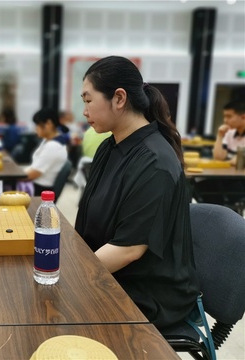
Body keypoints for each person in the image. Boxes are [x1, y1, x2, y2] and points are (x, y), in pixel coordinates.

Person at [74, 56, 199, 330]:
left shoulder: (155, 163)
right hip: (111, 272)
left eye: (87, 100)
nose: (84, 110)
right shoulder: (110, 147)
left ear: (119, 98)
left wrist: (72, 274)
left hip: (146, 293)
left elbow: (129, 249)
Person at [23, 108, 68, 196]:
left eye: (37, 124)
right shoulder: (49, 141)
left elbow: (33, 174)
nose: (35, 128)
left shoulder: (53, 146)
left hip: (38, 191)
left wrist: (11, 177)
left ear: (48, 123)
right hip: (36, 186)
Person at [212, 99, 245, 166]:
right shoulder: (230, 133)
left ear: (243, 117)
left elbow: (238, 162)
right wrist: (220, 135)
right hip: (229, 174)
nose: (225, 120)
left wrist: (228, 162)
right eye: (224, 116)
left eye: (229, 116)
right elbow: (218, 158)